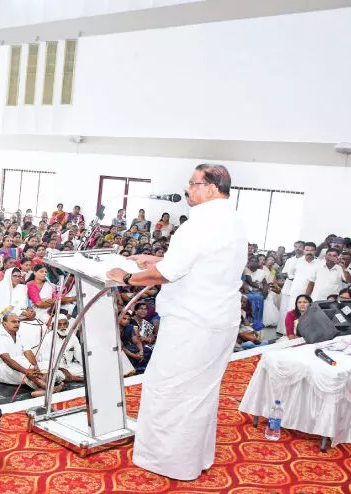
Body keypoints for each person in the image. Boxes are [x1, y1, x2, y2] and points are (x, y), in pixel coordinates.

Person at [105, 164, 247, 480]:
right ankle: (195, 457)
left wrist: (126, 276)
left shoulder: (200, 223)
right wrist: (157, 259)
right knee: (200, 392)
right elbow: (205, 262)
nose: (187, 189)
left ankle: (166, 461)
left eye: (193, 184)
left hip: (192, 321)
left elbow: (169, 273)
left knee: (168, 388)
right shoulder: (232, 219)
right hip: (219, 319)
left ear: (211, 188)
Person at [0, 313, 63, 397]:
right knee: (21, 361)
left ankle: (40, 389)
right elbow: (7, 360)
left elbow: (28, 352)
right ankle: (50, 389)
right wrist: (26, 371)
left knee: (47, 364)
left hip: (20, 367)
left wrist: (36, 367)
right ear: (4, 324)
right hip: (1, 369)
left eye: (18, 322)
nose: (17, 324)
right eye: (13, 322)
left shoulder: (20, 335)